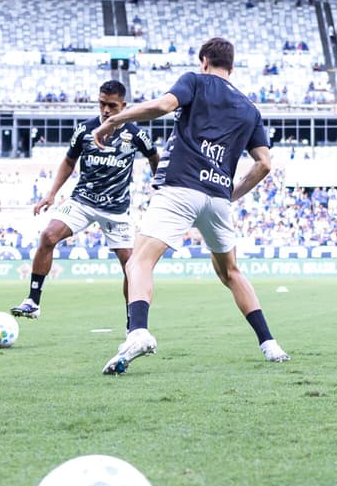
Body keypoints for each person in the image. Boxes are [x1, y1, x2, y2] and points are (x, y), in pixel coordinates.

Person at [91, 37, 289, 374]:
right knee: (231, 273)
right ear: (232, 67)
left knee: (139, 262)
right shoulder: (250, 109)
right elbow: (265, 164)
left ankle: (138, 332)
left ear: (204, 61)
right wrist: (231, 194)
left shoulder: (195, 81)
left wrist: (115, 120)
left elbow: (163, 106)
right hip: (217, 198)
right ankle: (270, 344)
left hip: (180, 187)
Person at [10, 80, 159, 321]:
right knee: (48, 236)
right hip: (83, 201)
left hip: (116, 210)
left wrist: (159, 187)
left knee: (131, 266)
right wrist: (51, 194)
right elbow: (69, 161)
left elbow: (154, 158)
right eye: (102, 104)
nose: (106, 110)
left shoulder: (135, 134)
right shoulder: (85, 130)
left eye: (112, 105)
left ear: (124, 106)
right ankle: (33, 301)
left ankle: (133, 325)